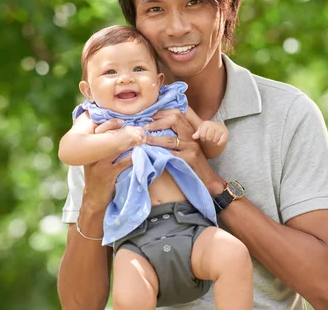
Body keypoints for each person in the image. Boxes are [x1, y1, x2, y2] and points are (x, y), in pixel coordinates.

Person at [58, 0, 328, 310]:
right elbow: (79, 305)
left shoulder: (289, 114)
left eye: (194, 2)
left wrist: (211, 182)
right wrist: (94, 200)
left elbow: (326, 288)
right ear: (135, 22)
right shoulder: (104, 127)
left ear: (226, 6)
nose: (177, 28)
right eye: (155, 8)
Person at [58, 25, 253, 309]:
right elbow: (68, 150)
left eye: (138, 69)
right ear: (88, 89)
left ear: (158, 80)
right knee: (128, 298)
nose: (125, 79)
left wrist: (214, 132)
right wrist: (116, 140)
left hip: (190, 227)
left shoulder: (171, 104)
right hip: (135, 240)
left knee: (233, 255)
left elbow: (208, 146)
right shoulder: (95, 119)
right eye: (110, 72)